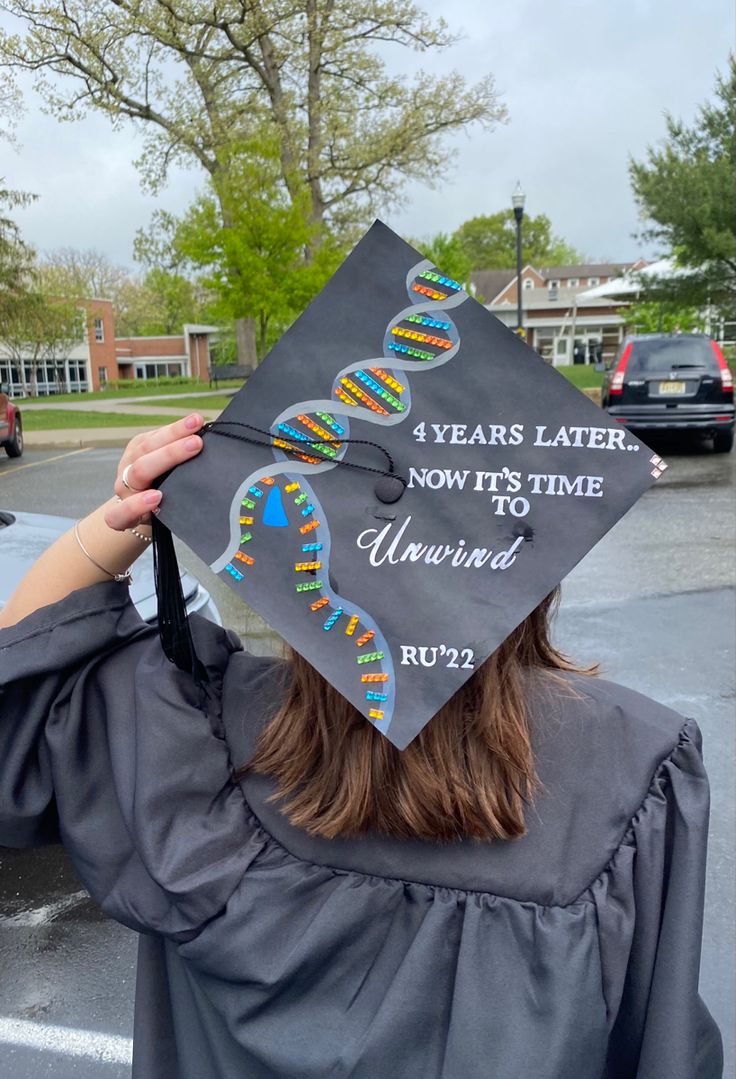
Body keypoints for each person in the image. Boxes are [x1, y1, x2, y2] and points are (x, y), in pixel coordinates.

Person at [0, 414, 723, 1078]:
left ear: (303, 559)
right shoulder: (630, 763)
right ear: (527, 566)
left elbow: (23, 677)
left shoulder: (193, 731)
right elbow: (657, 1045)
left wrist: (120, 517)